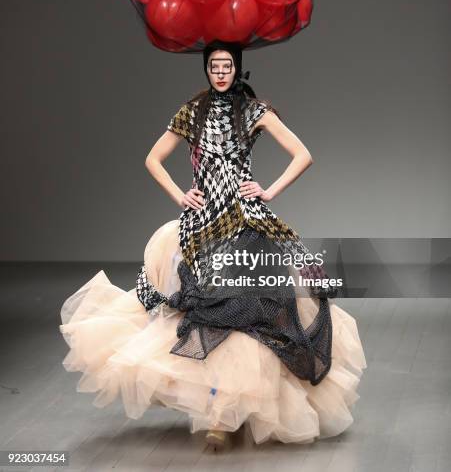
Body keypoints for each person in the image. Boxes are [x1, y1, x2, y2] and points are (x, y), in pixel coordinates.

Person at [59, 39, 367, 448]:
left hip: (245, 219)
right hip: (202, 226)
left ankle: (230, 411)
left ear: (237, 68)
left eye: (227, 66)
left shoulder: (254, 112)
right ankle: (219, 413)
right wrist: (179, 195)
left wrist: (268, 191)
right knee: (205, 312)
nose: (220, 73)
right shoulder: (192, 113)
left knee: (253, 311)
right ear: (206, 70)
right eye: (214, 67)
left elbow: (302, 154)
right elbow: (153, 158)